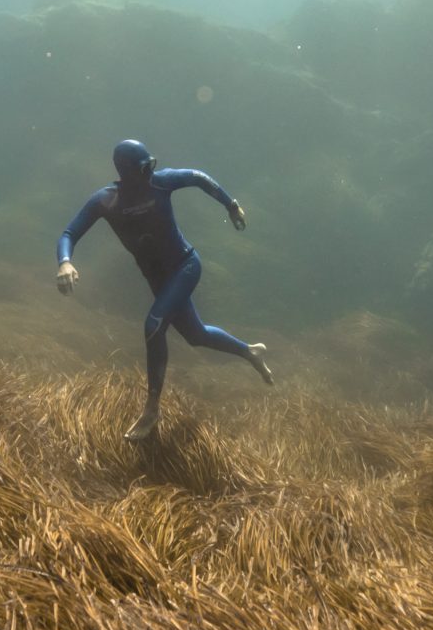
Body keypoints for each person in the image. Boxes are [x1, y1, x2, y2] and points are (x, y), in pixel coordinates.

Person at [55, 138, 273, 440]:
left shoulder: (161, 183)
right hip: (158, 278)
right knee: (196, 335)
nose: (150, 172)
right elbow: (70, 232)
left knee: (153, 325)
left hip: (185, 265)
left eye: (151, 165)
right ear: (127, 172)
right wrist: (65, 262)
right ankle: (250, 351)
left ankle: (152, 409)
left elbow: (197, 177)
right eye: (144, 168)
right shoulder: (106, 201)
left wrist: (231, 204)